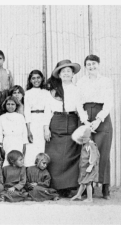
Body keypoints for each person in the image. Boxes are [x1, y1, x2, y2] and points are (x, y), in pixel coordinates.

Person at [76, 54, 113, 198]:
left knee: (103, 153)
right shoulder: (81, 82)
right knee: (86, 153)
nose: (91, 67)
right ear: (85, 67)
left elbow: (109, 102)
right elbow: (78, 103)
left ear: (99, 64)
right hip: (86, 116)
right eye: (88, 64)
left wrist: (98, 120)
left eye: (94, 64)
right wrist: (85, 121)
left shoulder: (106, 81)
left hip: (101, 116)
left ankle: (105, 187)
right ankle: (86, 186)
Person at [44, 60, 83, 196]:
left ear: (73, 74)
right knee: (55, 155)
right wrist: (46, 128)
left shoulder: (77, 89)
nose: (66, 73)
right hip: (56, 121)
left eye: (68, 71)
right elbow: (47, 110)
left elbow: (80, 108)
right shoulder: (53, 91)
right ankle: (56, 186)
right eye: (63, 71)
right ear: (59, 74)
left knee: (71, 155)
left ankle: (70, 186)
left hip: (72, 121)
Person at [23, 70, 52, 162]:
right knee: (31, 146)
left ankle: (40, 168)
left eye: (38, 78)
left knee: (42, 146)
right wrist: (28, 130)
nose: (36, 80)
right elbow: (26, 111)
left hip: (43, 120)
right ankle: (30, 169)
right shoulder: (27, 93)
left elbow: (48, 110)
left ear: (42, 79)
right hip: (32, 121)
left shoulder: (46, 93)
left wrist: (46, 128)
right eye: (33, 78)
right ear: (30, 80)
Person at [71, 125, 99, 202]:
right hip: (84, 167)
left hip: (89, 167)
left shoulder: (91, 144)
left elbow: (94, 155)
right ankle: (79, 195)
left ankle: (90, 199)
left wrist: (91, 165)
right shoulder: (85, 145)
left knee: (88, 183)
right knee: (83, 181)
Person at [0, 98, 29, 166]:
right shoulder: (2, 117)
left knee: (18, 160)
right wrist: (1, 146)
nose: (10, 106)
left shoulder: (20, 117)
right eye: (8, 104)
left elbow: (24, 132)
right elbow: (0, 133)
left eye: (12, 104)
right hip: (7, 141)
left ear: (16, 106)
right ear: (5, 105)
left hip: (18, 141)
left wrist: (24, 144)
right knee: (8, 160)